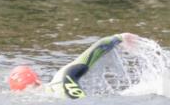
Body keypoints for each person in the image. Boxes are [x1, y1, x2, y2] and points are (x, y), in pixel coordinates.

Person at [7, 33, 138, 99]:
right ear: (37, 80)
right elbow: (94, 51)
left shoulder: (33, 99)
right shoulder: (62, 77)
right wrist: (120, 37)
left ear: (17, 92)